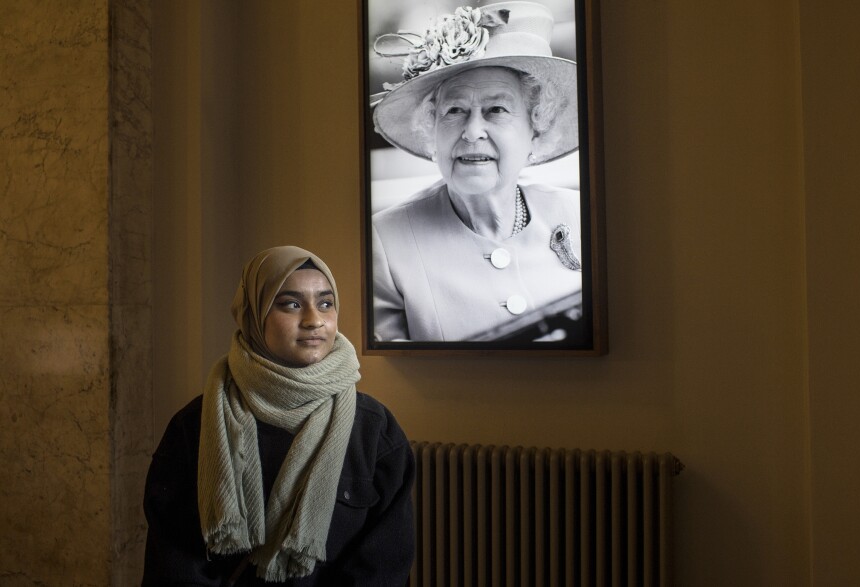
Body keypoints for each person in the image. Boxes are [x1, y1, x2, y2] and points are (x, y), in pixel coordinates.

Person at [142, 246, 415, 585]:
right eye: (292, 304)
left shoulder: (374, 430)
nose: (315, 319)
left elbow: (382, 569)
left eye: (326, 303)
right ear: (253, 315)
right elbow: (175, 567)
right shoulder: (193, 426)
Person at [370, 2, 584, 343]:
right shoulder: (384, 242)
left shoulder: (581, 215)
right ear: (432, 131)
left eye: (496, 109)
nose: (472, 132)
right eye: (454, 110)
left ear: (536, 128)